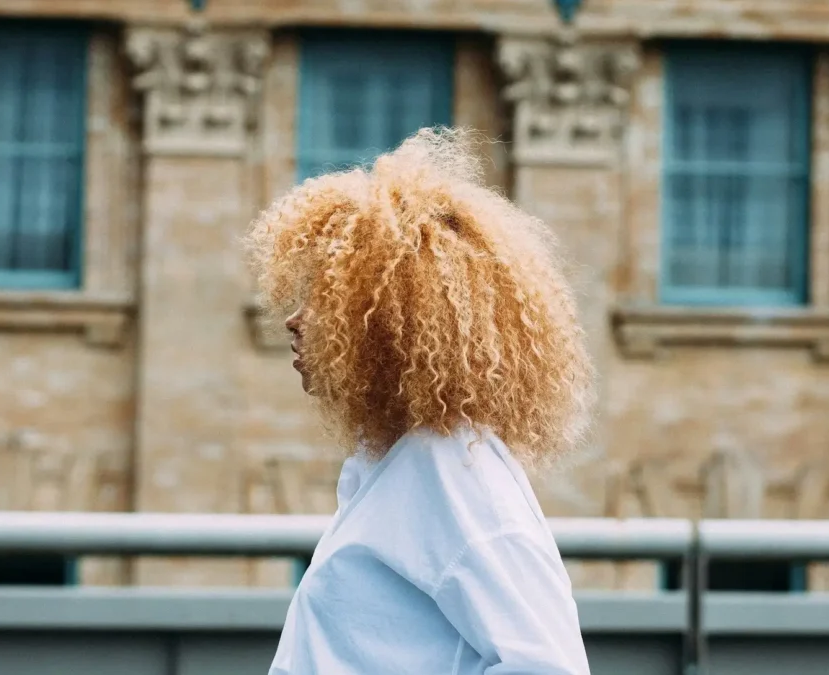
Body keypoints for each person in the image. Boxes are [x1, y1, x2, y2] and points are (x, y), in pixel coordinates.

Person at [247, 127, 594, 675]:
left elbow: (547, 666)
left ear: (388, 319)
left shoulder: (450, 473)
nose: (294, 320)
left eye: (323, 296)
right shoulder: (395, 463)